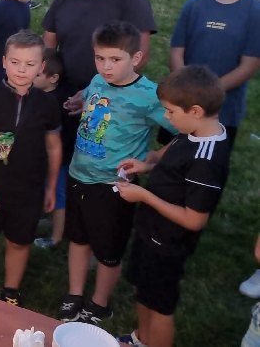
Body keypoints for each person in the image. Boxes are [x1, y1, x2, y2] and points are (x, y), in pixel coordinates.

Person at [58, 21, 174, 325]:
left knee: (108, 249)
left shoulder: (150, 95)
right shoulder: (98, 80)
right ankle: (74, 294)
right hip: (78, 174)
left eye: (115, 59)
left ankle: (99, 303)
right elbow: (91, 93)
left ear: (136, 58)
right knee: (78, 239)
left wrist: (155, 158)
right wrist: (80, 100)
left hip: (114, 186)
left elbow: (186, 131)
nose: (106, 66)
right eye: (100, 58)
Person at [114, 66, 230, 347]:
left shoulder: (206, 161)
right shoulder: (193, 130)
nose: (166, 117)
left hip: (168, 242)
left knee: (160, 306)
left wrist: (144, 196)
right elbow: (170, 153)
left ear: (196, 111)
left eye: (170, 111)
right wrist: (148, 164)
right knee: (144, 291)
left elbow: (194, 220)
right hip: (151, 229)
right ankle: (141, 339)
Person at [0, 31, 62, 306]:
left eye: (30, 64)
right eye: (15, 62)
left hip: (28, 190)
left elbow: (54, 147)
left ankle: (11, 292)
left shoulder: (47, 104)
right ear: (4, 61)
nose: (21, 70)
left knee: (19, 241)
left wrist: (51, 187)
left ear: (42, 66)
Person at [169, 0, 260, 149]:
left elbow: (249, 66)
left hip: (224, 107)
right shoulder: (194, 5)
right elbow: (176, 51)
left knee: (210, 162)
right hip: (184, 100)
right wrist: (185, 86)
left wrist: (209, 92)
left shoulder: (255, 12)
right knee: (172, 157)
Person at [32, 50, 78, 250]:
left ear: (53, 78)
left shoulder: (55, 103)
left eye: (37, 74)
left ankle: (56, 237)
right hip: (42, 157)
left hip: (58, 160)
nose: (31, 76)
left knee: (59, 196)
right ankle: (45, 220)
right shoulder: (43, 94)